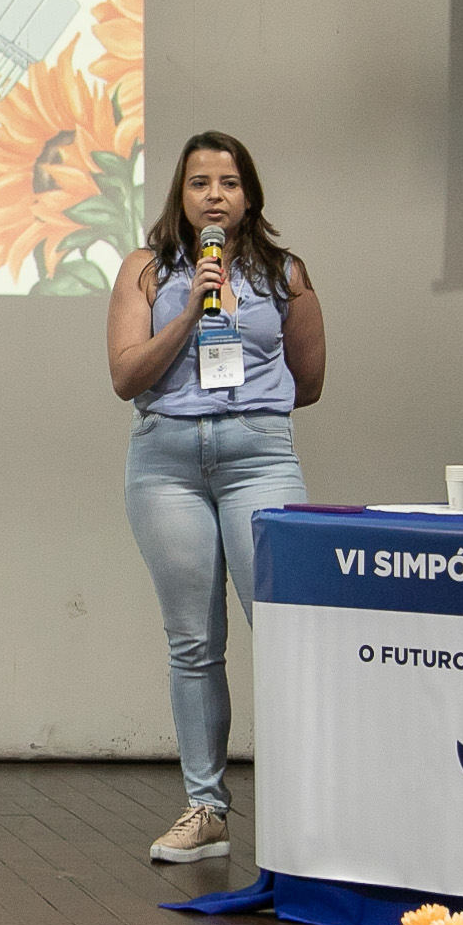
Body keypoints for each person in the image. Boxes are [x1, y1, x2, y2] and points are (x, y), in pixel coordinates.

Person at [107, 131, 327, 864]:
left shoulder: (285, 274)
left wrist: (248, 407)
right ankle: (206, 809)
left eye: (229, 183)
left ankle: (309, 806)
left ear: (249, 196)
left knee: (285, 629)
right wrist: (190, 313)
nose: (214, 195)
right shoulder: (147, 270)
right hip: (166, 465)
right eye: (200, 182)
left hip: (258, 458)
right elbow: (125, 375)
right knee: (194, 642)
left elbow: (310, 381)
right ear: (181, 194)